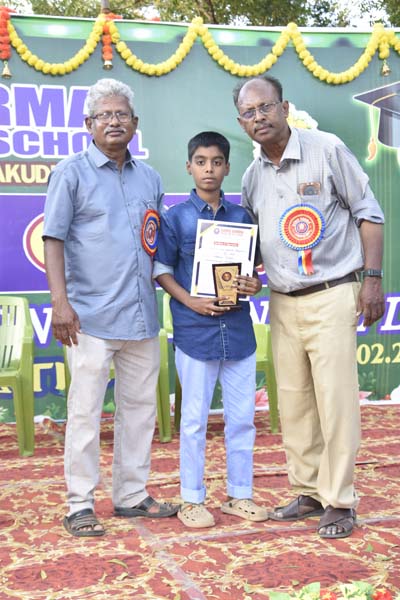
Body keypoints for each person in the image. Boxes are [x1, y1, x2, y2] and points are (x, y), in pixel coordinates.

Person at [232, 75, 385, 539]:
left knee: (336, 402)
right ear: (241, 123)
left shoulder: (326, 149)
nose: (259, 117)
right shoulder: (252, 176)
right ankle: (308, 490)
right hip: (282, 301)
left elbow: (369, 213)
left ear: (284, 108)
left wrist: (372, 280)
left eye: (266, 107)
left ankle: (339, 500)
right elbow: (254, 244)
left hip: (333, 292)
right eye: (249, 112)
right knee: (295, 402)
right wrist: (245, 273)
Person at [43, 78, 179, 537]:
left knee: (139, 411)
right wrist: (60, 304)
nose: (114, 121)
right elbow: (53, 239)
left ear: (135, 123)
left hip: (141, 315)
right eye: (104, 115)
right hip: (89, 318)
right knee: (85, 414)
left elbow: (157, 242)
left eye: (121, 114)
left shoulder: (150, 178)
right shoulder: (70, 173)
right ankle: (80, 504)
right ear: (89, 124)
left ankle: (131, 495)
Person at [153, 131, 269, 528]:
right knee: (193, 421)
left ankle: (240, 495)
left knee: (242, 419)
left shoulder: (242, 218)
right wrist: (191, 301)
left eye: (216, 162)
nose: (209, 169)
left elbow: (253, 273)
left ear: (227, 167)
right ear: (189, 166)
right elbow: (161, 271)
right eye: (201, 162)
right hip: (194, 331)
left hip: (238, 332)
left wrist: (254, 284)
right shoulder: (176, 218)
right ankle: (191, 500)